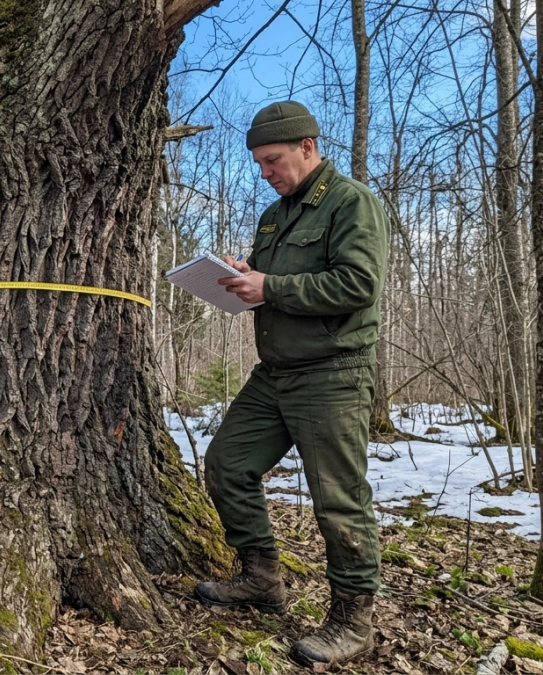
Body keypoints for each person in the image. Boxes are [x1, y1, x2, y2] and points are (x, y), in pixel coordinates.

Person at [194, 101, 391, 669]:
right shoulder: (275, 215)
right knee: (228, 463)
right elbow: (269, 278)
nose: (265, 172)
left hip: (331, 372)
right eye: (258, 162)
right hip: (274, 372)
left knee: (338, 500)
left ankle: (354, 622)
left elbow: (357, 283)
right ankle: (261, 579)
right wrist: (238, 276)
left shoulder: (349, 203)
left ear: (308, 146)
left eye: (273, 159)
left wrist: (272, 286)